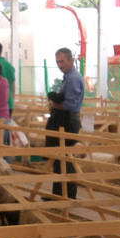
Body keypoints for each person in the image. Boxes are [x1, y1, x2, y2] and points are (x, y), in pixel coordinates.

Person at [45, 47, 84, 199]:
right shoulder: (69, 77)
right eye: (57, 62)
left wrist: (54, 105)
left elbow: (71, 105)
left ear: (70, 60)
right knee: (60, 156)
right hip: (68, 119)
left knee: (64, 157)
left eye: (62, 61)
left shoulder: (73, 78)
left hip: (68, 120)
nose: (60, 65)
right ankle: (59, 194)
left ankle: (68, 194)